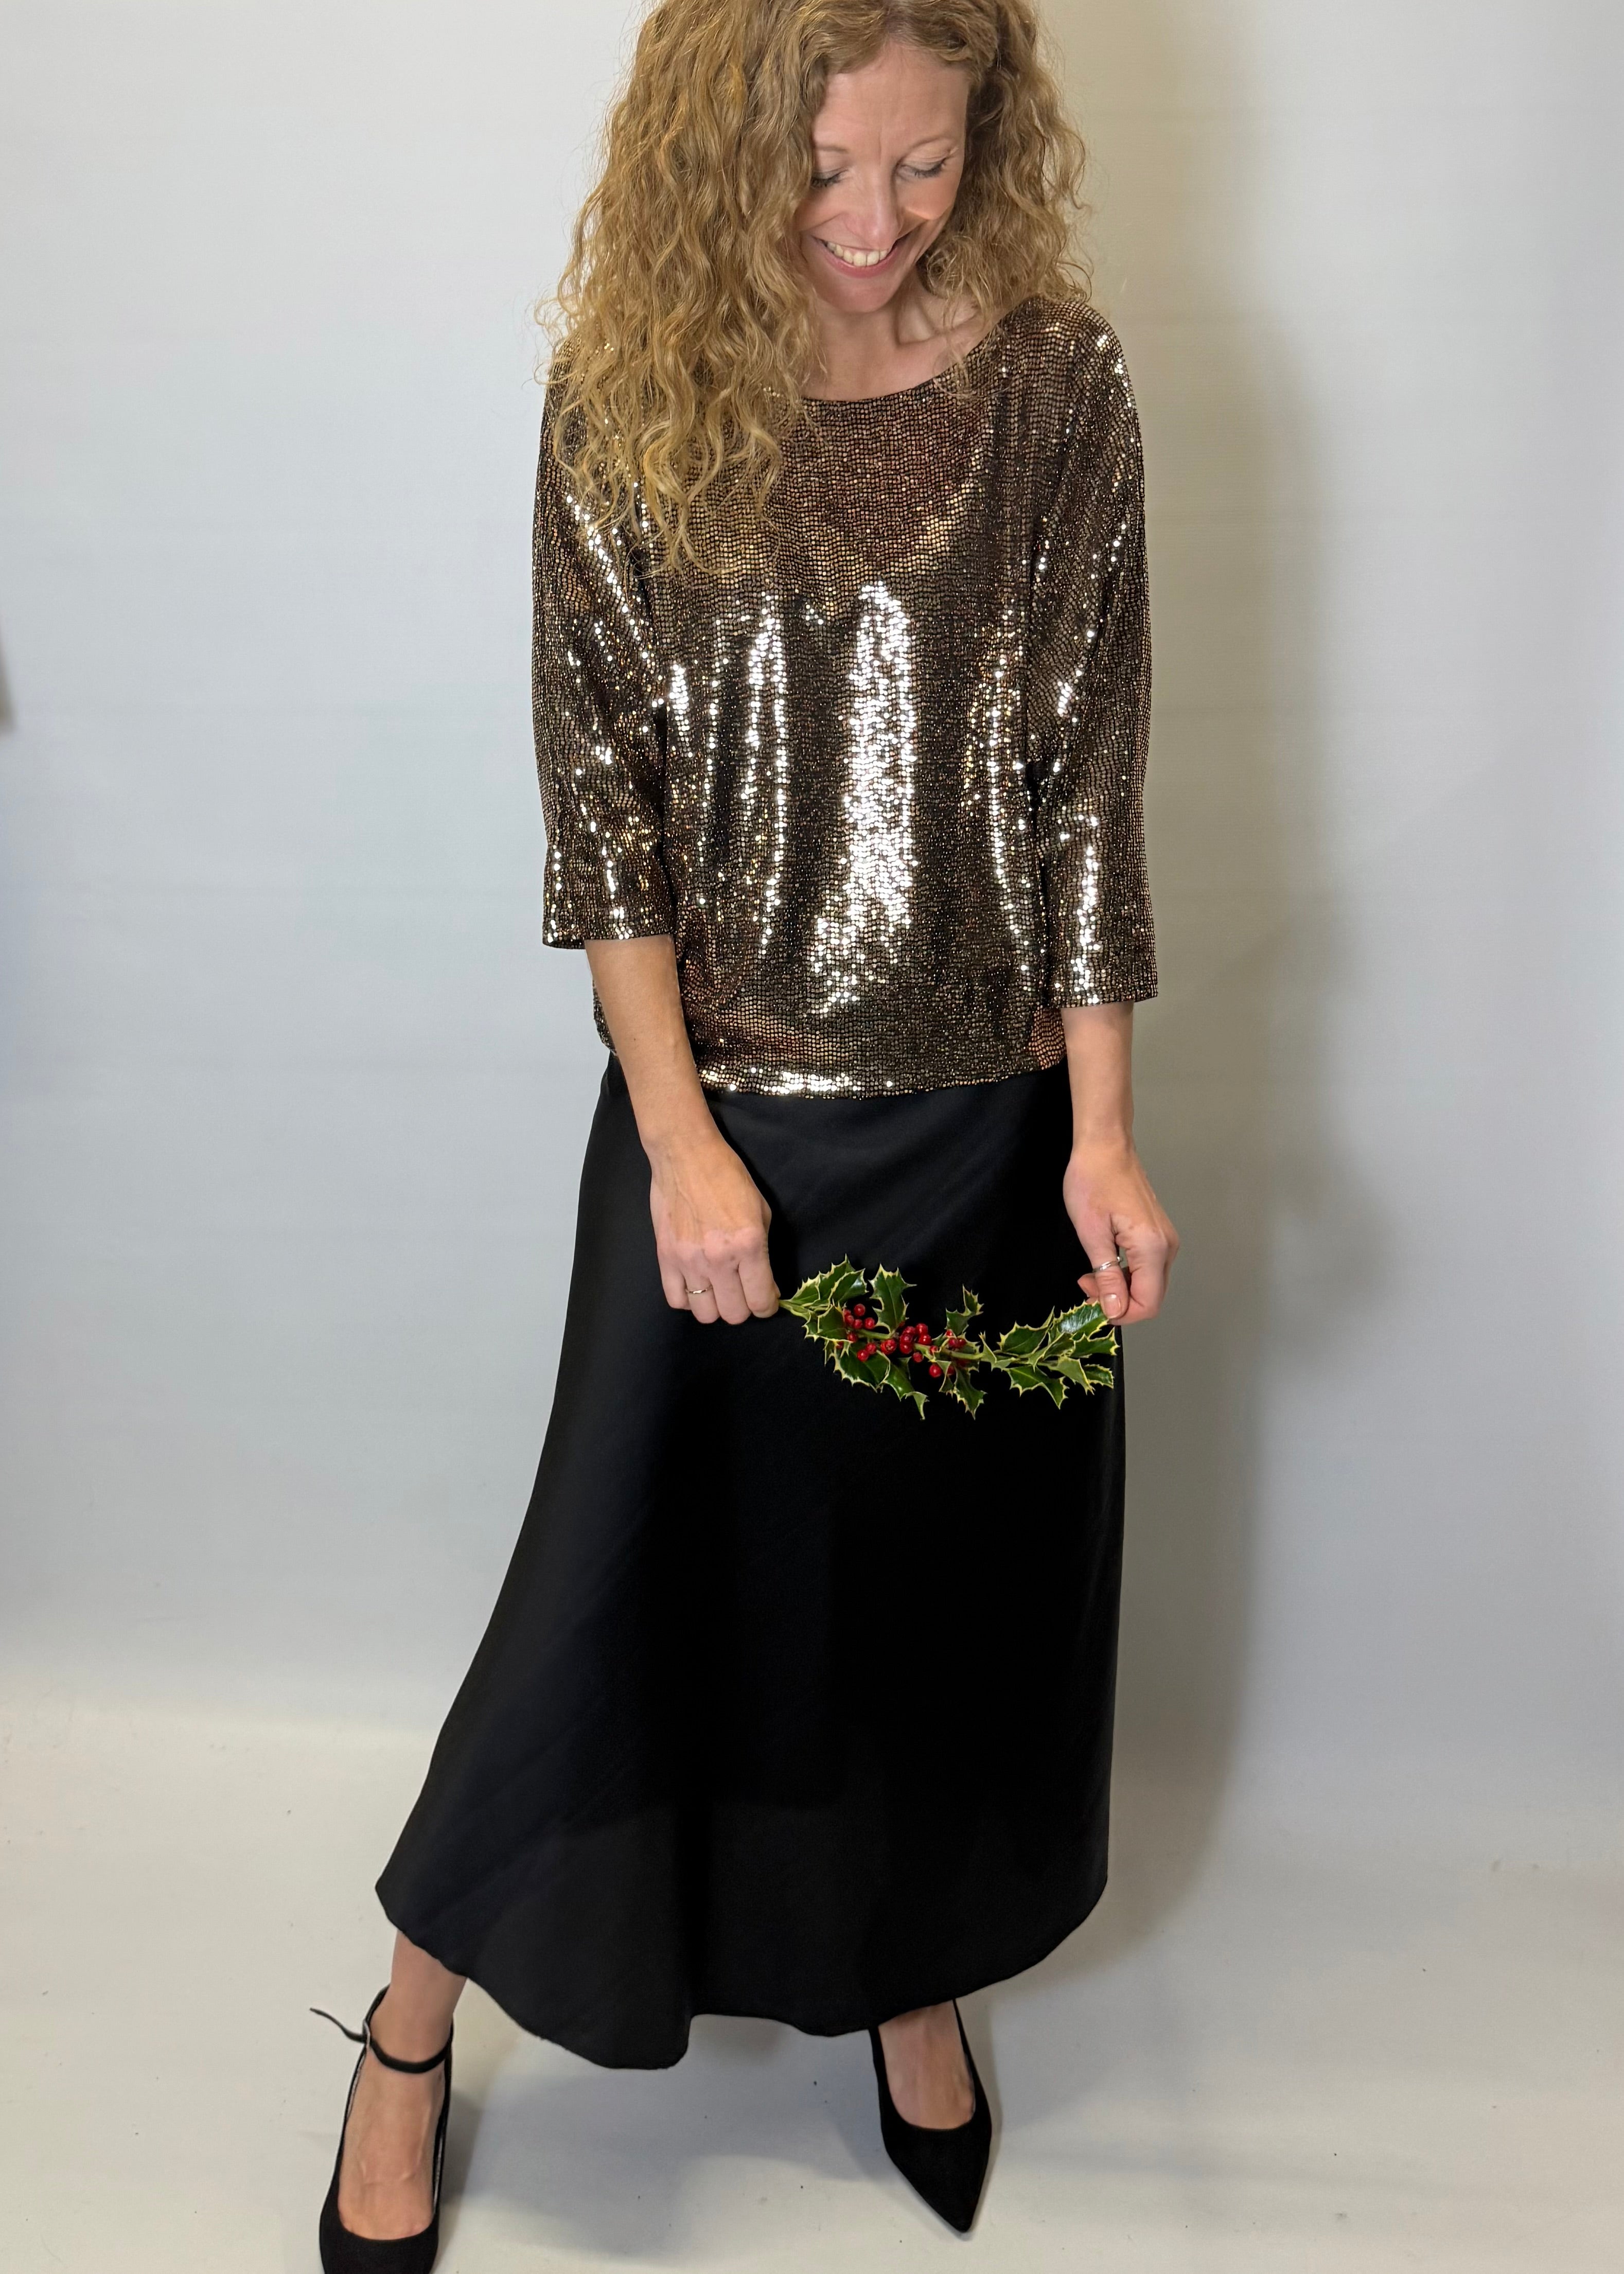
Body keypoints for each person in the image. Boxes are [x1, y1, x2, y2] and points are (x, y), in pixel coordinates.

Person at [314, 1, 1177, 2262]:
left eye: (926, 160)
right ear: (726, 145)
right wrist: (681, 1144)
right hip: (728, 1134)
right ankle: (408, 2027)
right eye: (826, 166)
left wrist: (1100, 1131)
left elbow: (1087, 778)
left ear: (988, 137)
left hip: (983, 1133)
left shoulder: (1060, 386)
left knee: (912, 1603)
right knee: (603, 1602)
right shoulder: (630, 390)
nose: (876, 219)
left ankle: (903, 1972)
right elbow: (602, 812)